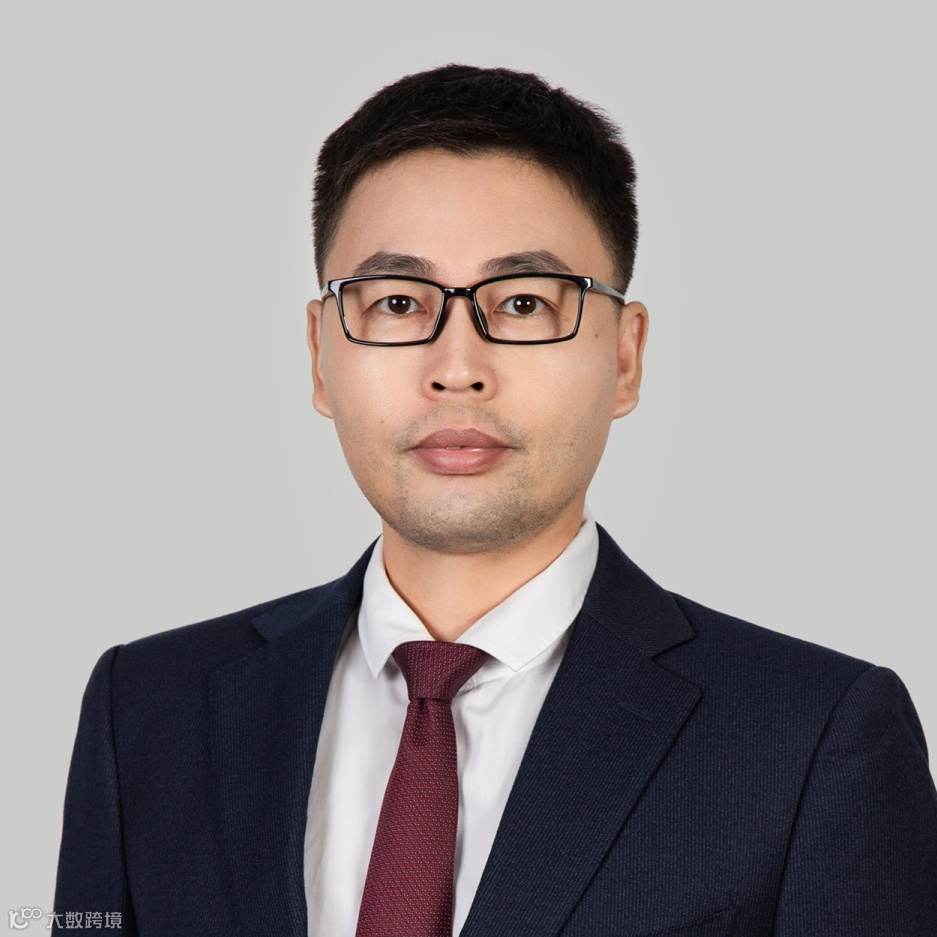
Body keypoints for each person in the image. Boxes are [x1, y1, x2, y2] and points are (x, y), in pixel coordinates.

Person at [53, 64, 937, 936]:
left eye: (520, 303)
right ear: (320, 354)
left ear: (624, 357)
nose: (457, 367)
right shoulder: (149, 709)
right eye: (397, 302)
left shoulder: (811, 738)